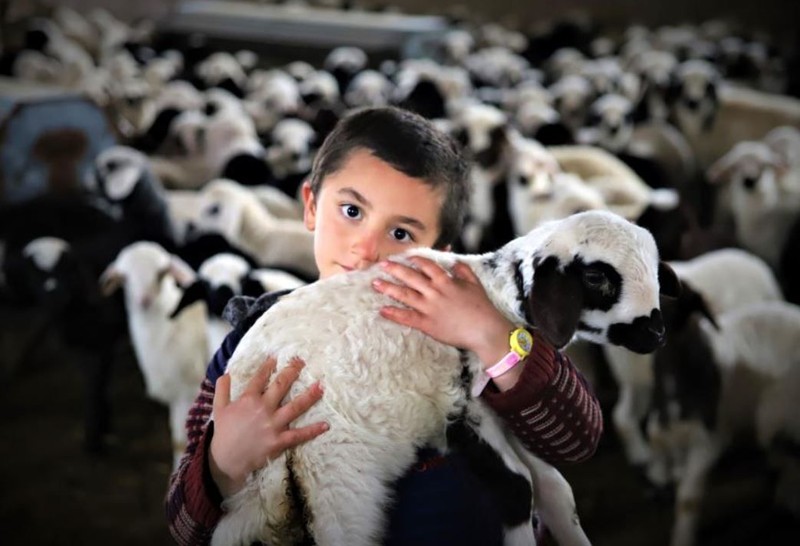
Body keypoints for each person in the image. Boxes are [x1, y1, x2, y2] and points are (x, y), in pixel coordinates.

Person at [165, 106, 603, 545]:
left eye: (401, 235)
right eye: (352, 211)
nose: (366, 249)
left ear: (439, 253)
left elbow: (575, 440)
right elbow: (184, 526)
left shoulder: (460, 335)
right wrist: (221, 465)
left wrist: (494, 338)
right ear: (312, 206)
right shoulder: (255, 342)